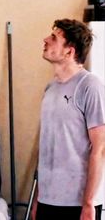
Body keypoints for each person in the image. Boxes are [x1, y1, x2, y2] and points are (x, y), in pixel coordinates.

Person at [31, 19, 105, 220]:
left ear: (69, 51)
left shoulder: (90, 86)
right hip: (48, 200)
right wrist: (38, 198)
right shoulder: (50, 89)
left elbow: (100, 149)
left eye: (54, 38)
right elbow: (48, 148)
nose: (46, 40)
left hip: (77, 204)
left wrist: (88, 203)